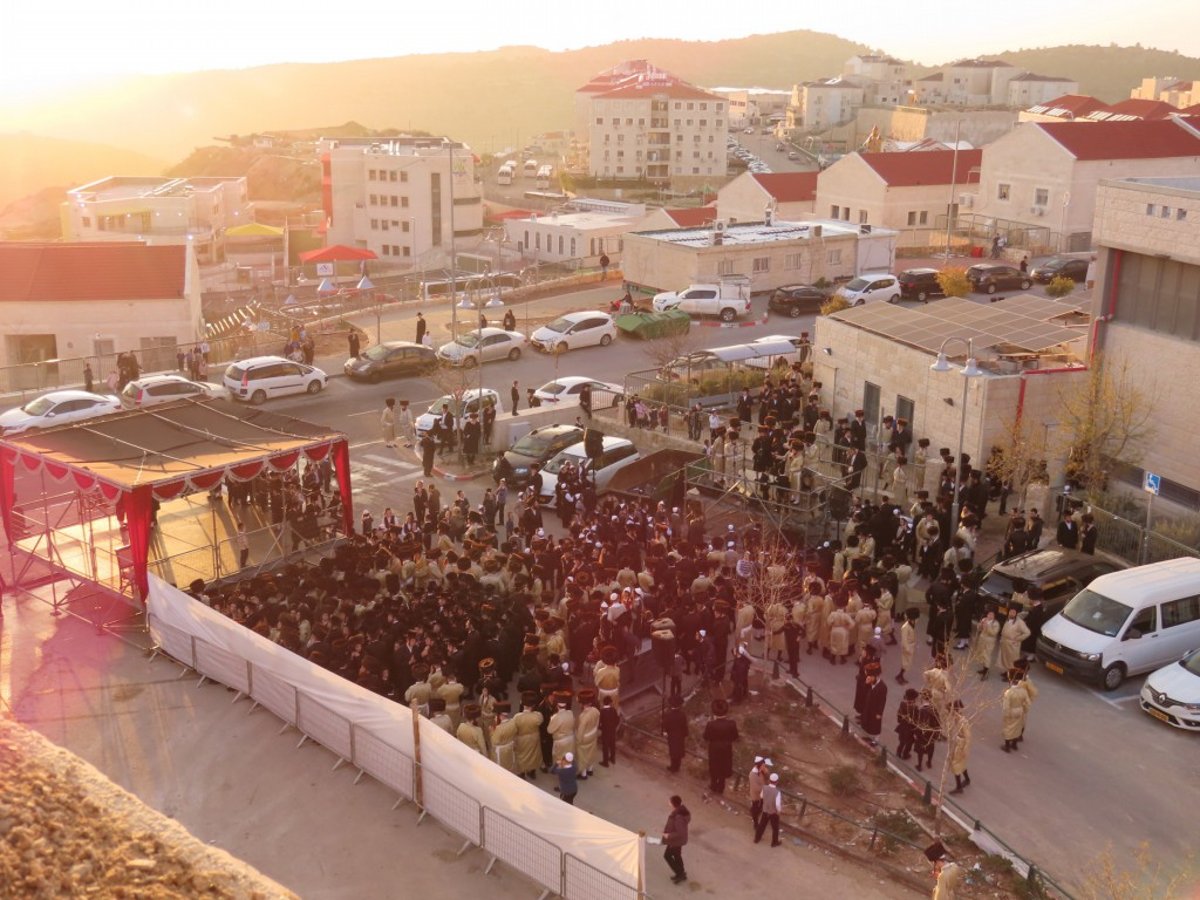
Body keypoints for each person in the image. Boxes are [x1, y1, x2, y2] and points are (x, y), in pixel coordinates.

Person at [702, 698, 739, 794]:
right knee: (723, 766)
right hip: (726, 748)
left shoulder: (711, 724)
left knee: (714, 766)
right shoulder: (731, 724)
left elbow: (706, 737)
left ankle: (713, 785)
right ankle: (721, 787)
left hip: (714, 748)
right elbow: (735, 737)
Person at [513, 692, 544, 779]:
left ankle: (522, 773)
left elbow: (514, 729)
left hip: (521, 738)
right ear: (534, 705)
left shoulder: (517, 717)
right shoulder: (538, 716)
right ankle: (532, 772)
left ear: (521, 703)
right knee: (534, 755)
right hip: (534, 738)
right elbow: (540, 721)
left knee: (521, 755)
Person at [661, 794, 691, 884]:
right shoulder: (679, 812)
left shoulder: (678, 816)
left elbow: (680, 832)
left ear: (674, 804)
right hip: (677, 841)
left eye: (670, 801)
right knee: (677, 856)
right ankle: (681, 873)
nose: (668, 802)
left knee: (667, 856)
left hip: (675, 841)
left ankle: (680, 873)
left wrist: (668, 836)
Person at [1001, 671, 1032, 753]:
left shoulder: (1009, 692)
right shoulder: (1023, 691)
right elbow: (1028, 703)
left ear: (1011, 681)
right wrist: (1024, 710)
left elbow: (1006, 706)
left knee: (1008, 727)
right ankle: (1014, 744)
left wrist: (1006, 714)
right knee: (1017, 727)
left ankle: (1007, 746)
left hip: (1011, 711)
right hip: (1020, 710)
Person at [946, 700, 972, 795]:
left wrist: (965, 749)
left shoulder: (962, 721)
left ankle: (959, 787)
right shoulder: (958, 719)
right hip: (958, 742)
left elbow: (968, 736)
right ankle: (967, 779)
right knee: (961, 762)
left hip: (961, 744)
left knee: (955, 764)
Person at [574, 689, 600, 779]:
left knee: (582, 756)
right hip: (593, 735)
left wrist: (578, 740)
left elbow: (581, 731)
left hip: (584, 738)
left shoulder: (583, 716)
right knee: (591, 753)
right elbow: (597, 723)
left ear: (582, 703)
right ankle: (590, 769)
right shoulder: (596, 711)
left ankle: (583, 774)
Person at [998, 608, 1030, 676]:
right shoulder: (1008, 619)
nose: (1012, 613)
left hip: (1013, 644)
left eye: (1013, 612)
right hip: (1005, 643)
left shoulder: (1020, 622)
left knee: (1012, 661)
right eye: (1010, 612)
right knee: (1005, 659)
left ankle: (1012, 675)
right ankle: (1007, 672)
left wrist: (1018, 639)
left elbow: (1027, 632)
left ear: (1016, 613)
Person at [860, 669, 888, 747]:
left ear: (875, 676)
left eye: (870, 677)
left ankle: (876, 740)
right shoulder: (870, 682)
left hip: (876, 710)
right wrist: (866, 683)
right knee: (867, 722)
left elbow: (882, 701)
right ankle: (868, 736)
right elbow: (863, 692)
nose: (869, 678)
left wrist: (879, 713)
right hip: (868, 707)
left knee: (875, 726)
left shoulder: (883, 687)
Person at [753, 773, 782, 847]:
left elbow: (761, 796)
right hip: (773, 812)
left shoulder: (764, 788)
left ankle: (757, 838)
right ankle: (774, 842)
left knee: (762, 825)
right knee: (775, 828)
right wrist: (779, 811)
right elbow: (778, 804)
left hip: (765, 810)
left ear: (769, 780)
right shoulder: (777, 792)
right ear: (777, 781)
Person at [971, 609, 1001, 679]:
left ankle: (986, 672)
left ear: (994, 616)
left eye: (992, 615)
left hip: (989, 641)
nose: (990, 616)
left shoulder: (996, 623)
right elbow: (979, 629)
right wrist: (980, 625)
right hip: (982, 640)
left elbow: (994, 633)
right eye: (989, 614)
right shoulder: (984, 619)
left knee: (987, 655)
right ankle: (984, 669)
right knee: (982, 654)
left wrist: (987, 626)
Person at [662, 695, 689, 773]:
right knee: (679, 752)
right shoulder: (682, 714)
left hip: (672, 735)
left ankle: (673, 766)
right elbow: (685, 726)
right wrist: (685, 734)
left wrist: (665, 732)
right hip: (680, 735)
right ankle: (677, 767)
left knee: (673, 751)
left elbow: (666, 724)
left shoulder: (668, 714)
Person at [895, 688, 919, 760]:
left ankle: (898, 753)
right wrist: (916, 732)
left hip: (902, 727)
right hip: (910, 730)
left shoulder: (902, 704)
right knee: (909, 744)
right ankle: (905, 755)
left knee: (901, 742)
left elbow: (899, 715)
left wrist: (901, 721)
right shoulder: (915, 708)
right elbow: (916, 721)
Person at [896, 608, 918, 685]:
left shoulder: (912, 623)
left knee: (907, 663)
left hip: (911, 645)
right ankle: (900, 676)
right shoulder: (905, 627)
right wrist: (908, 649)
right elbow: (904, 640)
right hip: (907, 647)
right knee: (906, 663)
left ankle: (900, 675)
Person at [748, 757, 770, 832]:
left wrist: (766, 772)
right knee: (755, 808)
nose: (764, 767)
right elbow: (756, 788)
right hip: (756, 795)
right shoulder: (752, 774)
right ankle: (755, 823)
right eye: (763, 765)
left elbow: (767, 779)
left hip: (762, 794)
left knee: (760, 807)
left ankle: (756, 812)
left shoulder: (761, 771)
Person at [599, 696, 620, 767]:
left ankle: (605, 762)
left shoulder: (602, 711)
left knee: (605, 747)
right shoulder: (613, 710)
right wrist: (614, 727)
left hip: (605, 732)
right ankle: (612, 759)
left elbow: (599, 723)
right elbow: (617, 720)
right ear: (610, 702)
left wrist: (601, 728)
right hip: (612, 731)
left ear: (603, 703)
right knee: (612, 745)